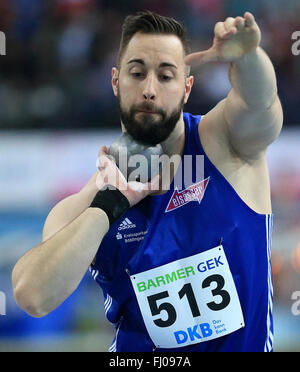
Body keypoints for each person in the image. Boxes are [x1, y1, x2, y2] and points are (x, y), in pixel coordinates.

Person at [12, 10, 283, 352]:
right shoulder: (84, 205)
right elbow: (33, 296)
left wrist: (248, 57)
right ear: (115, 82)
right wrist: (109, 205)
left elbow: (262, 108)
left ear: (186, 87)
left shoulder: (226, 142)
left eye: (166, 76)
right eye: (137, 73)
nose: (149, 90)